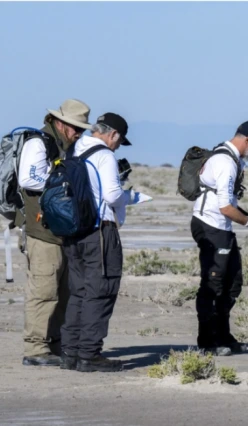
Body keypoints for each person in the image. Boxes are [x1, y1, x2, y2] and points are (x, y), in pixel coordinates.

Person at [17, 99, 92, 366]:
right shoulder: (39, 143)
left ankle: (56, 343)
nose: (79, 133)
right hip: (42, 232)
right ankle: (36, 349)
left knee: (65, 290)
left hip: (64, 231)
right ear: (60, 123)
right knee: (44, 290)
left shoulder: (68, 147)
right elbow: (28, 179)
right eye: (75, 128)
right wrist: (63, 181)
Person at [191, 120, 248, 356]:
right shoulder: (225, 162)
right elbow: (226, 207)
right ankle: (208, 342)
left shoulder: (231, 158)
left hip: (221, 228)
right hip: (211, 226)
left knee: (232, 283)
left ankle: (223, 335)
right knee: (213, 285)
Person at [59, 113, 135, 373]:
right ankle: (89, 355)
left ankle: (70, 353)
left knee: (78, 291)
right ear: (113, 134)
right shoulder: (104, 155)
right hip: (99, 230)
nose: (117, 145)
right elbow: (112, 195)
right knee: (100, 290)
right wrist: (131, 197)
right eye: (119, 140)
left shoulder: (73, 149)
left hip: (73, 230)